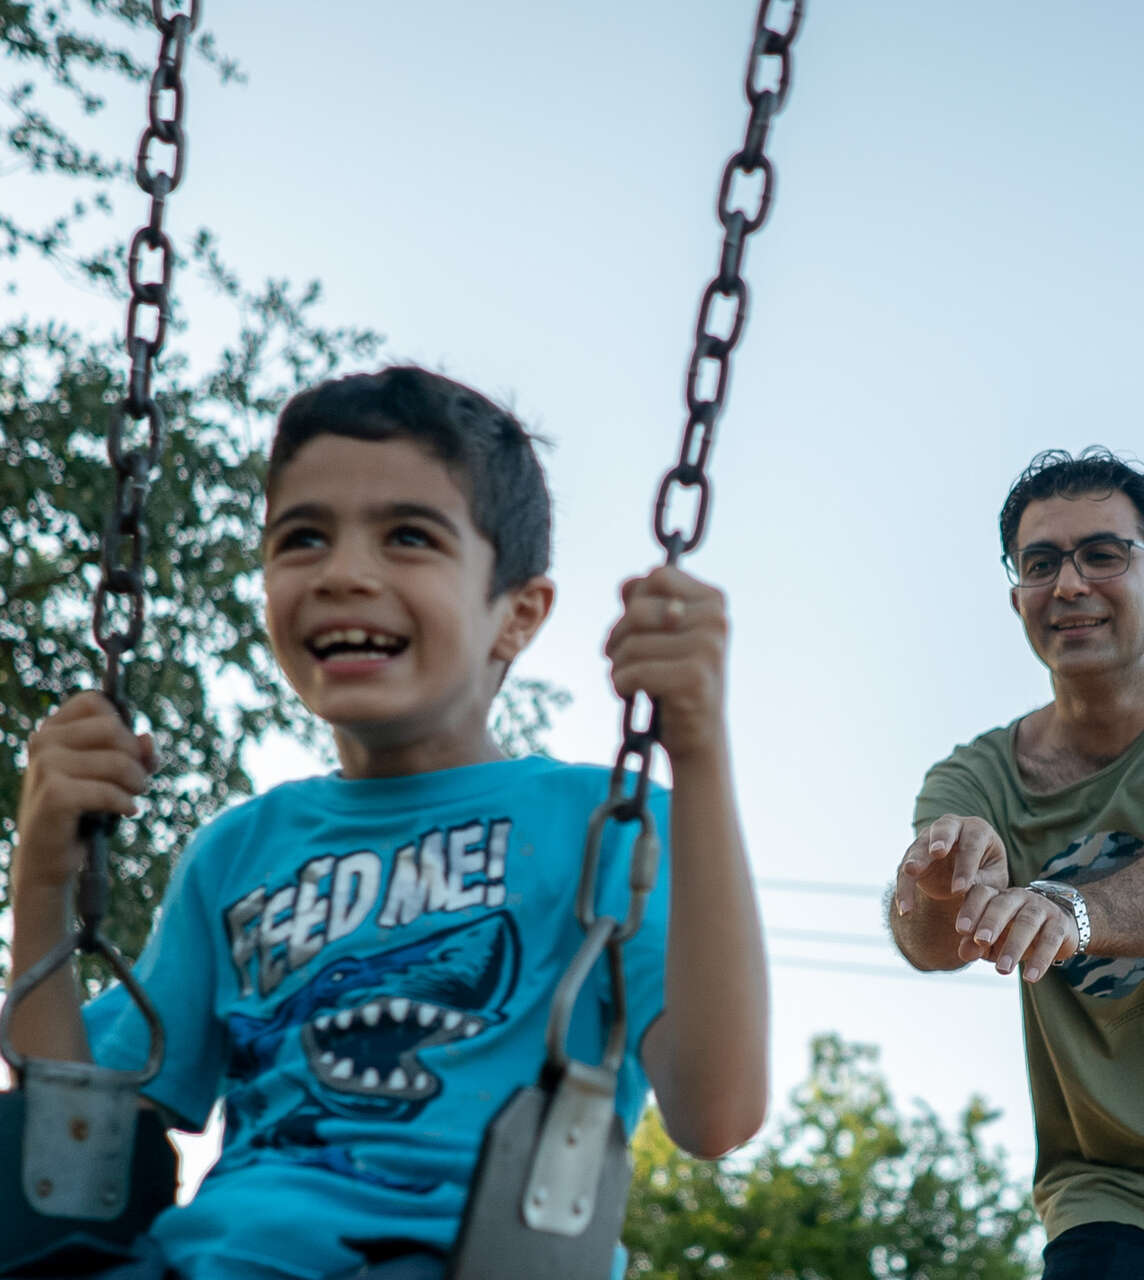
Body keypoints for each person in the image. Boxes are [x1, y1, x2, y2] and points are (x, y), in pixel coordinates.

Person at [7, 366, 769, 1280]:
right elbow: (70, 1147)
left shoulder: (605, 827)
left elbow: (717, 1113)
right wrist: (42, 877)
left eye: (408, 536)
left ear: (516, 615)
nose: (345, 574)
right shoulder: (236, 853)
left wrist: (700, 750)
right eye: (302, 539)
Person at [890, 448, 1144, 1279]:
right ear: (1018, 598)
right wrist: (935, 890)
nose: (1068, 584)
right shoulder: (975, 778)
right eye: (1040, 563)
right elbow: (927, 944)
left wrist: (1070, 913)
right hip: (1114, 1202)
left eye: (1102, 554)